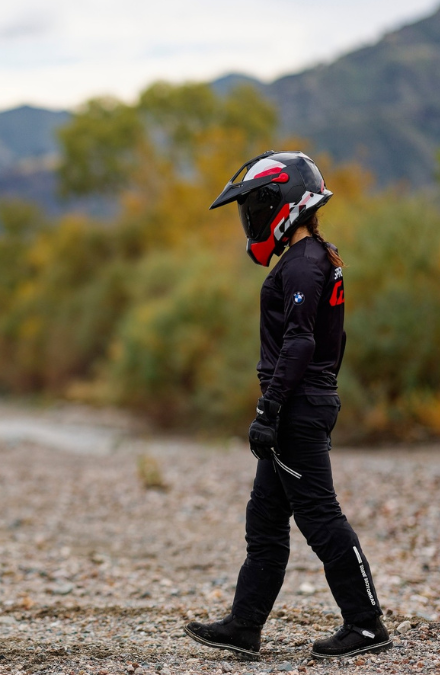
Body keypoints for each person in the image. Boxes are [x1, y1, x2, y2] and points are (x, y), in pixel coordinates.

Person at [184, 151, 389, 661]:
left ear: (282, 203)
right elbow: (328, 346)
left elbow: (300, 344)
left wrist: (269, 411)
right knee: (266, 519)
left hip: (296, 407)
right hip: (306, 401)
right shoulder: (318, 255)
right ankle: (244, 627)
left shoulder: (302, 264)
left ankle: (366, 626)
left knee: (320, 516)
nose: (250, 216)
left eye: (256, 205)